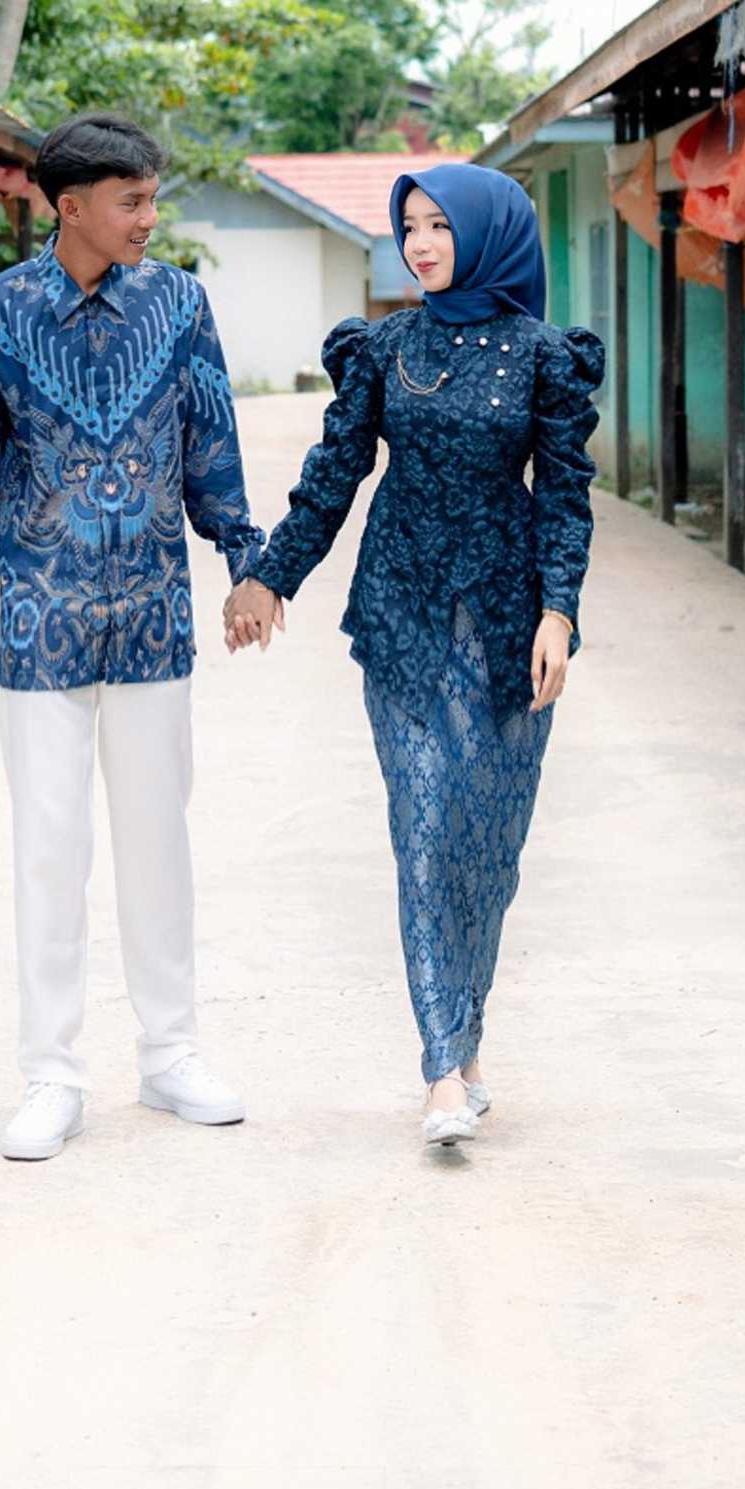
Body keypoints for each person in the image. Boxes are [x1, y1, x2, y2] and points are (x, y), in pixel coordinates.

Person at [225, 162, 604, 1149]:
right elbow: (333, 473)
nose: (421, 243)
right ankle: (441, 1070)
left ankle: (465, 1039)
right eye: (410, 227)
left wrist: (559, 612)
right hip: (400, 611)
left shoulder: (544, 356)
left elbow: (565, 494)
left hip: (508, 620)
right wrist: (270, 575)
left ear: (487, 234)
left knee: (490, 846)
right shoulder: (384, 349)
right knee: (426, 828)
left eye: (440, 225)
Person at [0, 112, 265, 1161]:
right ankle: (52, 1075)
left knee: (159, 842)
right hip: (41, 624)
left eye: (152, 197)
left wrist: (245, 561)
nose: (149, 217)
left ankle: (170, 1055)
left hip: (154, 618)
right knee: (48, 850)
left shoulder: (179, 304)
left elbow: (211, 441)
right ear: (68, 207)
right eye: (132, 201)